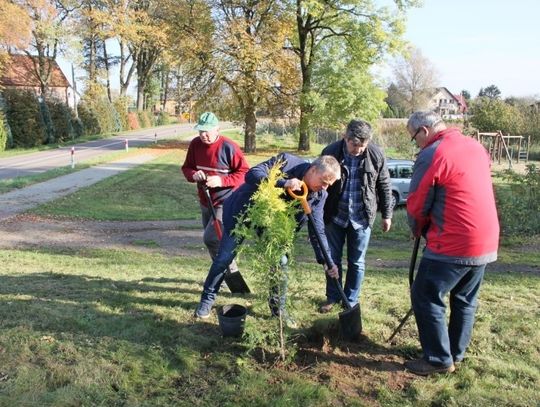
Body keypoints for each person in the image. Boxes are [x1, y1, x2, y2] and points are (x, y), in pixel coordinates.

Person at [404, 111, 499, 376]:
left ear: (424, 130)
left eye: (415, 139)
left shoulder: (433, 153)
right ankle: (455, 354)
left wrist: (416, 228)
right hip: (485, 239)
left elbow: (418, 201)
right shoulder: (476, 146)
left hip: (454, 240)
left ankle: (438, 361)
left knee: (425, 295)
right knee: (465, 299)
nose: (417, 145)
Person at [194, 153, 341, 321]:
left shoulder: (318, 196)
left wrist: (326, 260)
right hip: (244, 213)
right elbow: (252, 174)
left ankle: (278, 310)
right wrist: (283, 183)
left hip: (274, 227)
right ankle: (206, 300)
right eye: (323, 181)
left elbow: (318, 230)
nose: (325, 187)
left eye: (329, 185)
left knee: (281, 262)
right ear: (313, 170)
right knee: (224, 258)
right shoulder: (287, 163)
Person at [319, 119, 392, 313]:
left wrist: (387, 214)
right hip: (334, 216)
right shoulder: (330, 152)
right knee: (332, 259)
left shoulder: (376, 155)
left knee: (357, 262)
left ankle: (350, 299)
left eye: (362, 146)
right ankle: (333, 297)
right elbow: (319, 183)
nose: (358, 150)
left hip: (361, 217)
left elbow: (384, 184)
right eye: (354, 145)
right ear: (345, 137)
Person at [181, 112, 249, 275]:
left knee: (211, 238)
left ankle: (228, 271)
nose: (203, 135)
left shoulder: (229, 147)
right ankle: (225, 273)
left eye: (207, 131)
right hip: (205, 200)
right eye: (200, 131)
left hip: (226, 201)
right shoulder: (195, 145)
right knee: (215, 241)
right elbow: (187, 168)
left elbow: (245, 173)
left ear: (217, 129)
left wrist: (221, 181)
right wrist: (193, 175)